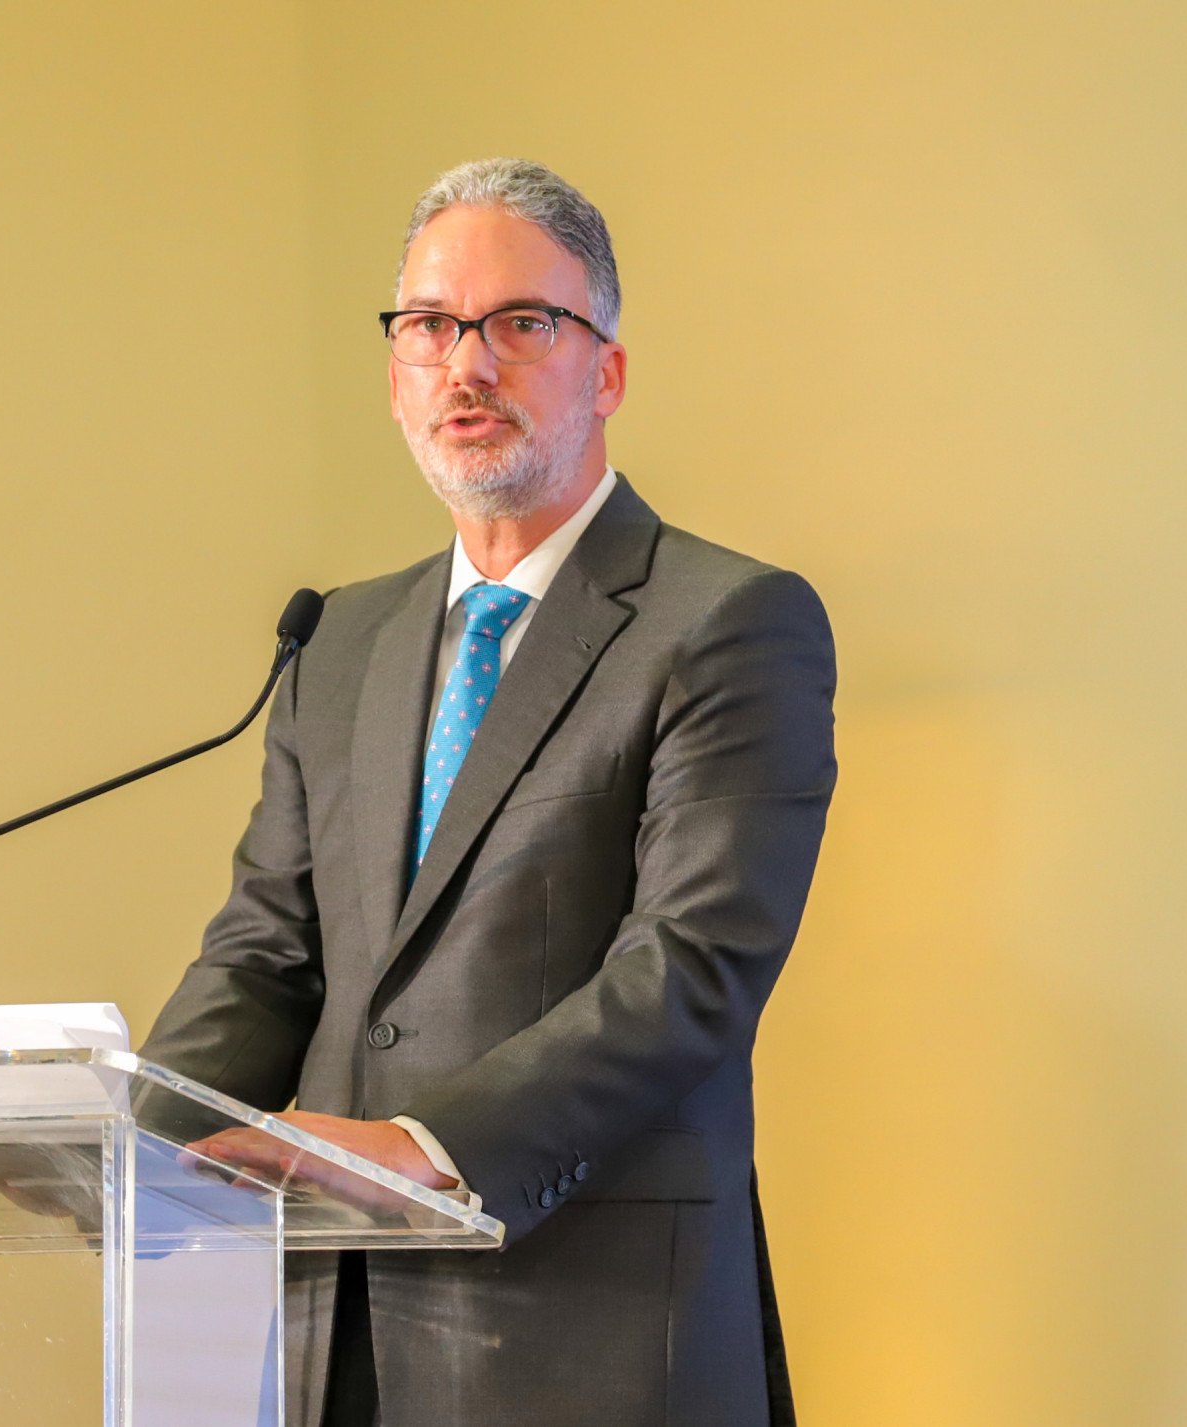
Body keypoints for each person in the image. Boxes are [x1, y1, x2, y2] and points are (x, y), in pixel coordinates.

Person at [140, 158, 836, 1427]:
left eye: (520, 323)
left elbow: (691, 968)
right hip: (337, 1337)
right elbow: (266, 952)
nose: (466, 365)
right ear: (395, 372)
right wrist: (130, 1146)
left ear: (606, 371)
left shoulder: (727, 620)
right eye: (428, 325)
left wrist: (426, 1149)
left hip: (593, 1336)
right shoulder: (340, 640)